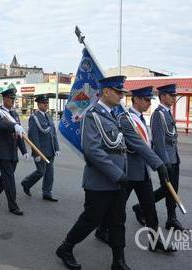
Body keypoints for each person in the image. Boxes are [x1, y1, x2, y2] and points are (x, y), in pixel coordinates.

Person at [56, 75, 130, 270]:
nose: (121, 96)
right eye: (118, 92)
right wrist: (118, 174)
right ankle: (66, 247)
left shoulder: (114, 114)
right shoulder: (92, 114)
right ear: (106, 92)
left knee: (118, 220)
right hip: (100, 181)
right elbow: (93, 150)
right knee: (91, 219)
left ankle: (118, 261)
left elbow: (120, 147)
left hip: (117, 180)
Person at [95, 86, 176, 253]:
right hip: (128, 172)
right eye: (146, 100)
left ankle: (155, 241)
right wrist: (159, 164)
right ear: (136, 99)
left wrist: (158, 162)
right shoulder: (126, 119)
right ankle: (102, 230)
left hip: (142, 171)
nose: (148, 103)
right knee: (117, 207)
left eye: (149, 100)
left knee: (149, 207)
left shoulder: (139, 118)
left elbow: (148, 144)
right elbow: (139, 145)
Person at [0, 86, 29, 215]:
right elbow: (0, 124)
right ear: (4, 98)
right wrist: (14, 125)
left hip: (13, 152)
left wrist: (24, 150)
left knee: (6, 176)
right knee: (9, 178)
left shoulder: (15, 114)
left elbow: (19, 133)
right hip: (2, 151)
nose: (12, 101)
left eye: (13, 99)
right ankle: (13, 206)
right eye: (10, 99)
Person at [149, 83, 186, 231]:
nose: (173, 98)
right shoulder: (158, 114)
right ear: (162, 96)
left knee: (173, 189)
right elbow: (158, 142)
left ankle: (172, 218)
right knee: (167, 189)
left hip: (173, 158)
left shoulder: (167, 112)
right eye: (171, 95)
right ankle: (141, 207)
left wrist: (174, 158)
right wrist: (164, 162)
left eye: (174, 96)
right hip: (166, 160)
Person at [21, 94, 60, 201]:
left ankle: (47, 193)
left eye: (47, 103)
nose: (46, 105)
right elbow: (33, 137)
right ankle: (26, 183)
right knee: (41, 172)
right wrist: (36, 153)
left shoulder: (49, 116)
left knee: (49, 172)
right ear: (38, 104)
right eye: (43, 103)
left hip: (50, 150)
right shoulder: (34, 118)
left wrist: (56, 148)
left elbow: (53, 134)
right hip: (40, 150)